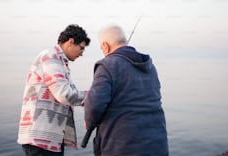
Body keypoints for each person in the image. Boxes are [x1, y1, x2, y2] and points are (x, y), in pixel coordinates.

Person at [84, 25, 168, 156]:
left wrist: (88, 122)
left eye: (101, 48)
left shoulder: (107, 65)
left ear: (105, 46)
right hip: (158, 145)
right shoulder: (150, 67)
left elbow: (94, 106)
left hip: (123, 147)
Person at [18, 24, 91, 156]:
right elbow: (64, 95)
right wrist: (93, 96)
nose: (81, 54)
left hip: (48, 139)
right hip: (39, 140)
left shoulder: (60, 62)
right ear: (70, 42)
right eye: (81, 48)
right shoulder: (50, 57)